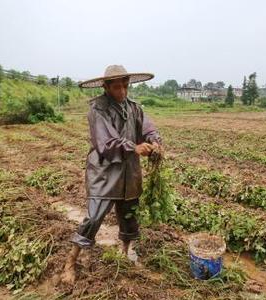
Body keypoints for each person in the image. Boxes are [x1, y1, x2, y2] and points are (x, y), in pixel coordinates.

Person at [61, 65, 163, 284]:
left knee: (129, 215)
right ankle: (70, 262)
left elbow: (148, 128)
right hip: (105, 172)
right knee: (94, 217)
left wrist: (154, 141)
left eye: (126, 86)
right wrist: (134, 147)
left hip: (130, 172)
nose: (123, 92)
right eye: (117, 87)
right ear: (106, 87)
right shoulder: (98, 109)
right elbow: (106, 142)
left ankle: (126, 252)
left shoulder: (134, 107)